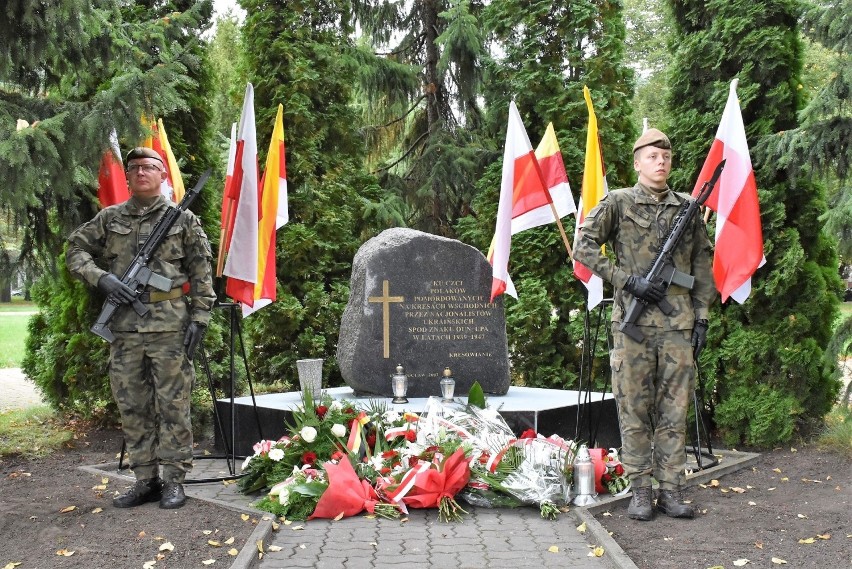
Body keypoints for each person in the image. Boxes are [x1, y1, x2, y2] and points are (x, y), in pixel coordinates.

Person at [573, 129, 716, 521]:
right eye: (652, 156)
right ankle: (640, 491)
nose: (661, 162)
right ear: (637, 163)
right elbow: (582, 247)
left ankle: (671, 490)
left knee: (675, 411)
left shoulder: (687, 208)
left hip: (677, 326)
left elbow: (702, 267)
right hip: (631, 328)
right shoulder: (618, 203)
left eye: (666, 157)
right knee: (633, 410)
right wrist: (626, 280)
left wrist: (701, 317)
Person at [66, 147, 215, 509]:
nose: (142, 173)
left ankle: (174, 481)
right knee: (132, 404)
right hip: (125, 329)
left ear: (162, 177)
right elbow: (75, 250)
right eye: (134, 168)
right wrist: (102, 279)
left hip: (170, 326)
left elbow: (201, 272)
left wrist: (200, 317)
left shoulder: (183, 220)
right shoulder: (110, 218)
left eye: (150, 167)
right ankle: (144, 479)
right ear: (128, 177)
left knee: (173, 403)